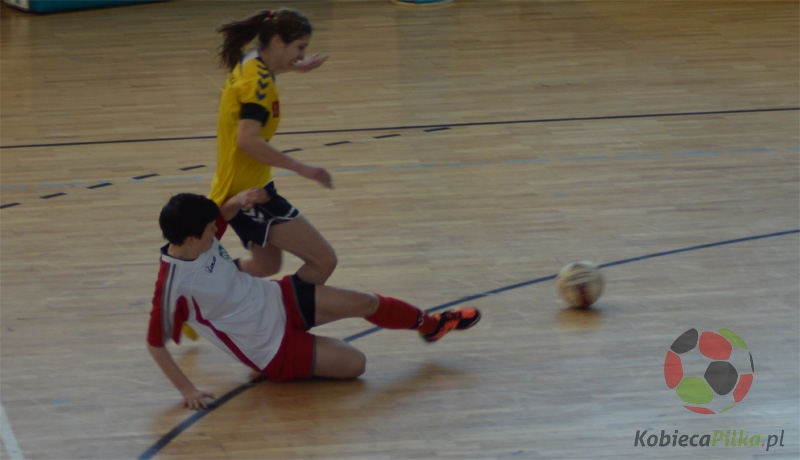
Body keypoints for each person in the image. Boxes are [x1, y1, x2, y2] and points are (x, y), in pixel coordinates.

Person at [148, 192, 481, 410]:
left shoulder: (199, 238)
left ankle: (433, 326)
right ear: (190, 238)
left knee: (366, 302)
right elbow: (155, 345)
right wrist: (187, 390)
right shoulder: (172, 287)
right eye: (210, 230)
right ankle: (304, 357)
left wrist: (241, 198)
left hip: (278, 298)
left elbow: (224, 213)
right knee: (356, 364)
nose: (216, 232)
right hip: (271, 349)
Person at [209, 8, 335, 283]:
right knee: (324, 260)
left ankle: (210, 283)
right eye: (299, 47)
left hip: (247, 183)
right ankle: (288, 309)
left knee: (266, 265)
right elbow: (247, 140)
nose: (302, 54)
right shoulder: (259, 83)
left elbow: (261, 76)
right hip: (247, 193)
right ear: (278, 41)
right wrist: (302, 168)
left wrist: (295, 66)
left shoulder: (252, 61)